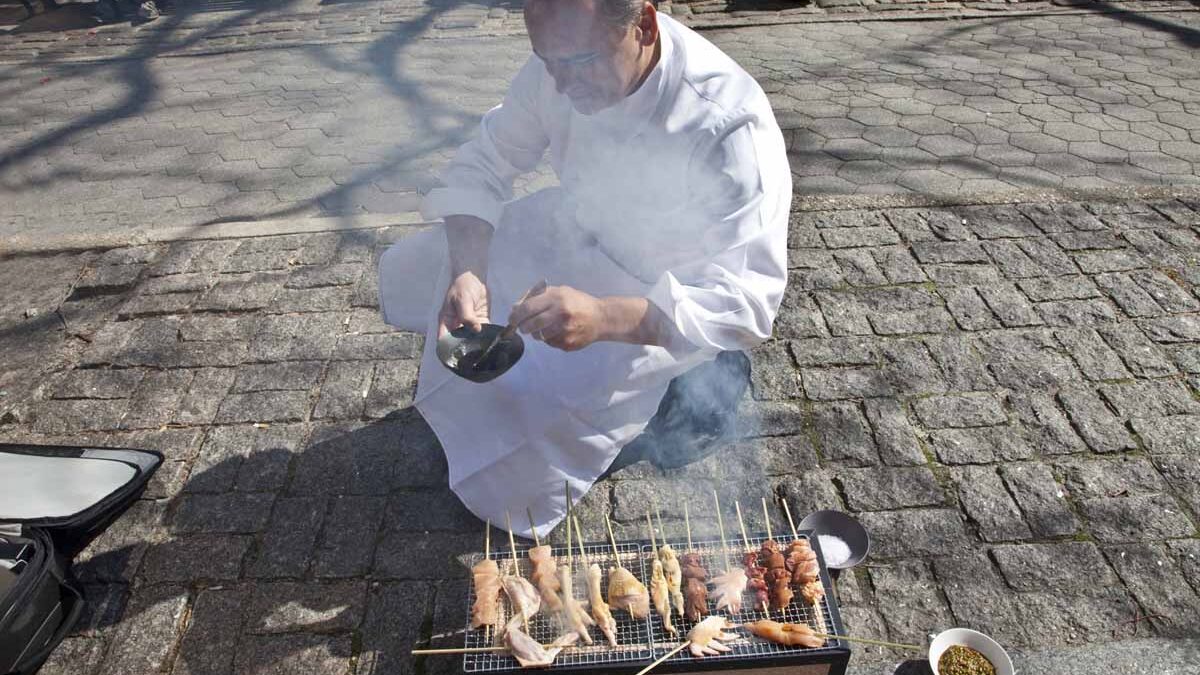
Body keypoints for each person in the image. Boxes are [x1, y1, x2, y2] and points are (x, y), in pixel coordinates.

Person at [379, 0, 790, 538]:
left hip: (658, 300)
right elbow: (484, 163)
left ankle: (693, 396)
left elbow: (749, 302)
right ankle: (471, 412)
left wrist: (601, 316)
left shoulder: (729, 123)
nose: (562, 84)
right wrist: (469, 270)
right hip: (577, 234)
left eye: (578, 62)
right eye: (547, 62)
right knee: (441, 258)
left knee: (527, 459)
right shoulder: (558, 63)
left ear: (642, 24)